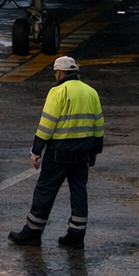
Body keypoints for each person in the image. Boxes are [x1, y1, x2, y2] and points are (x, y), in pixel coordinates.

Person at [9, 55, 104, 249]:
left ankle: (32, 233)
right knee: (79, 192)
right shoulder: (91, 92)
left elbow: (47, 124)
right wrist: (94, 152)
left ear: (60, 73)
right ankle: (76, 235)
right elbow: (98, 125)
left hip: (59, 153)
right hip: (83, 152)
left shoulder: (57, 92)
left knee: (45, 191)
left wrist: (36, 151)